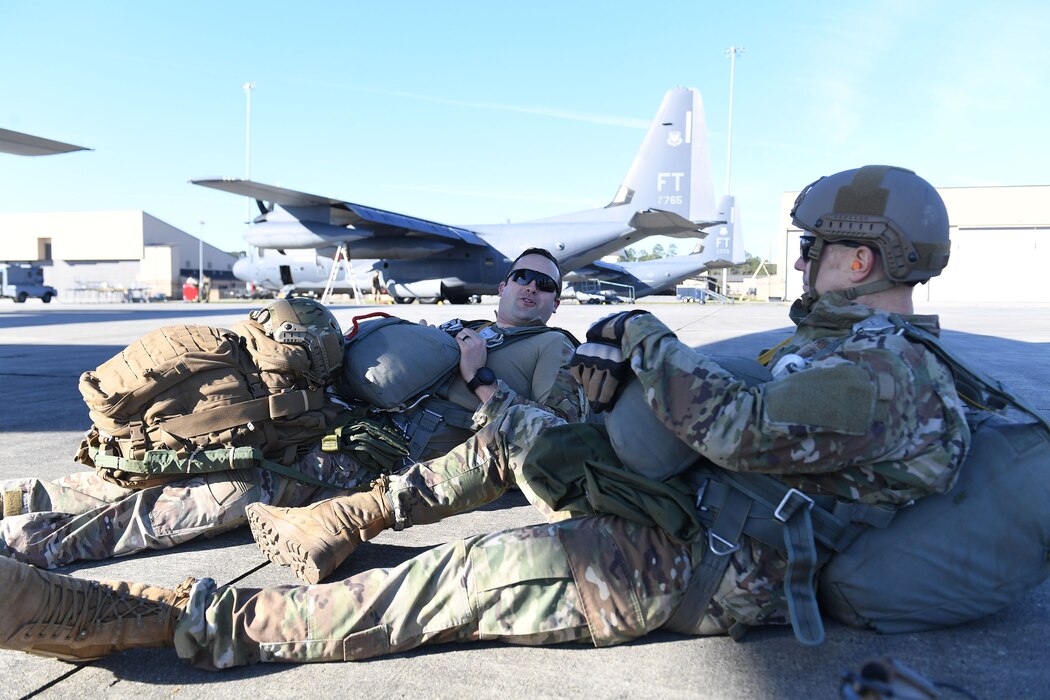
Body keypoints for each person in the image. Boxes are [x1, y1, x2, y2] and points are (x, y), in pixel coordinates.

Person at [0, 165, 972, 669]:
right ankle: (52, 519)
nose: (800, 262)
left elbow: (721, 430)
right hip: (674, 510)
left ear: (859, 256)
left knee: (436, 588)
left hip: (700, 554)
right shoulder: (839, 358)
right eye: (520, 277)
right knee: (202, 474)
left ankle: (138, 624)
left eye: (814, 247)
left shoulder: (876, 374)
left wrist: (635, 336)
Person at [0, 248, 583, 568]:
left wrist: (480, 379)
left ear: (557, 303)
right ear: (505, 284)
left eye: (545, 284)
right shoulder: (471, 326)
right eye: (521, 276)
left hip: (380, 455)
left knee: (228, 494)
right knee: (201, 456)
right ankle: (30, 497)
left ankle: (34, 540)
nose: (530, 287)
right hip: (338, 417)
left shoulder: (553, 348)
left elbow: (550, 443)